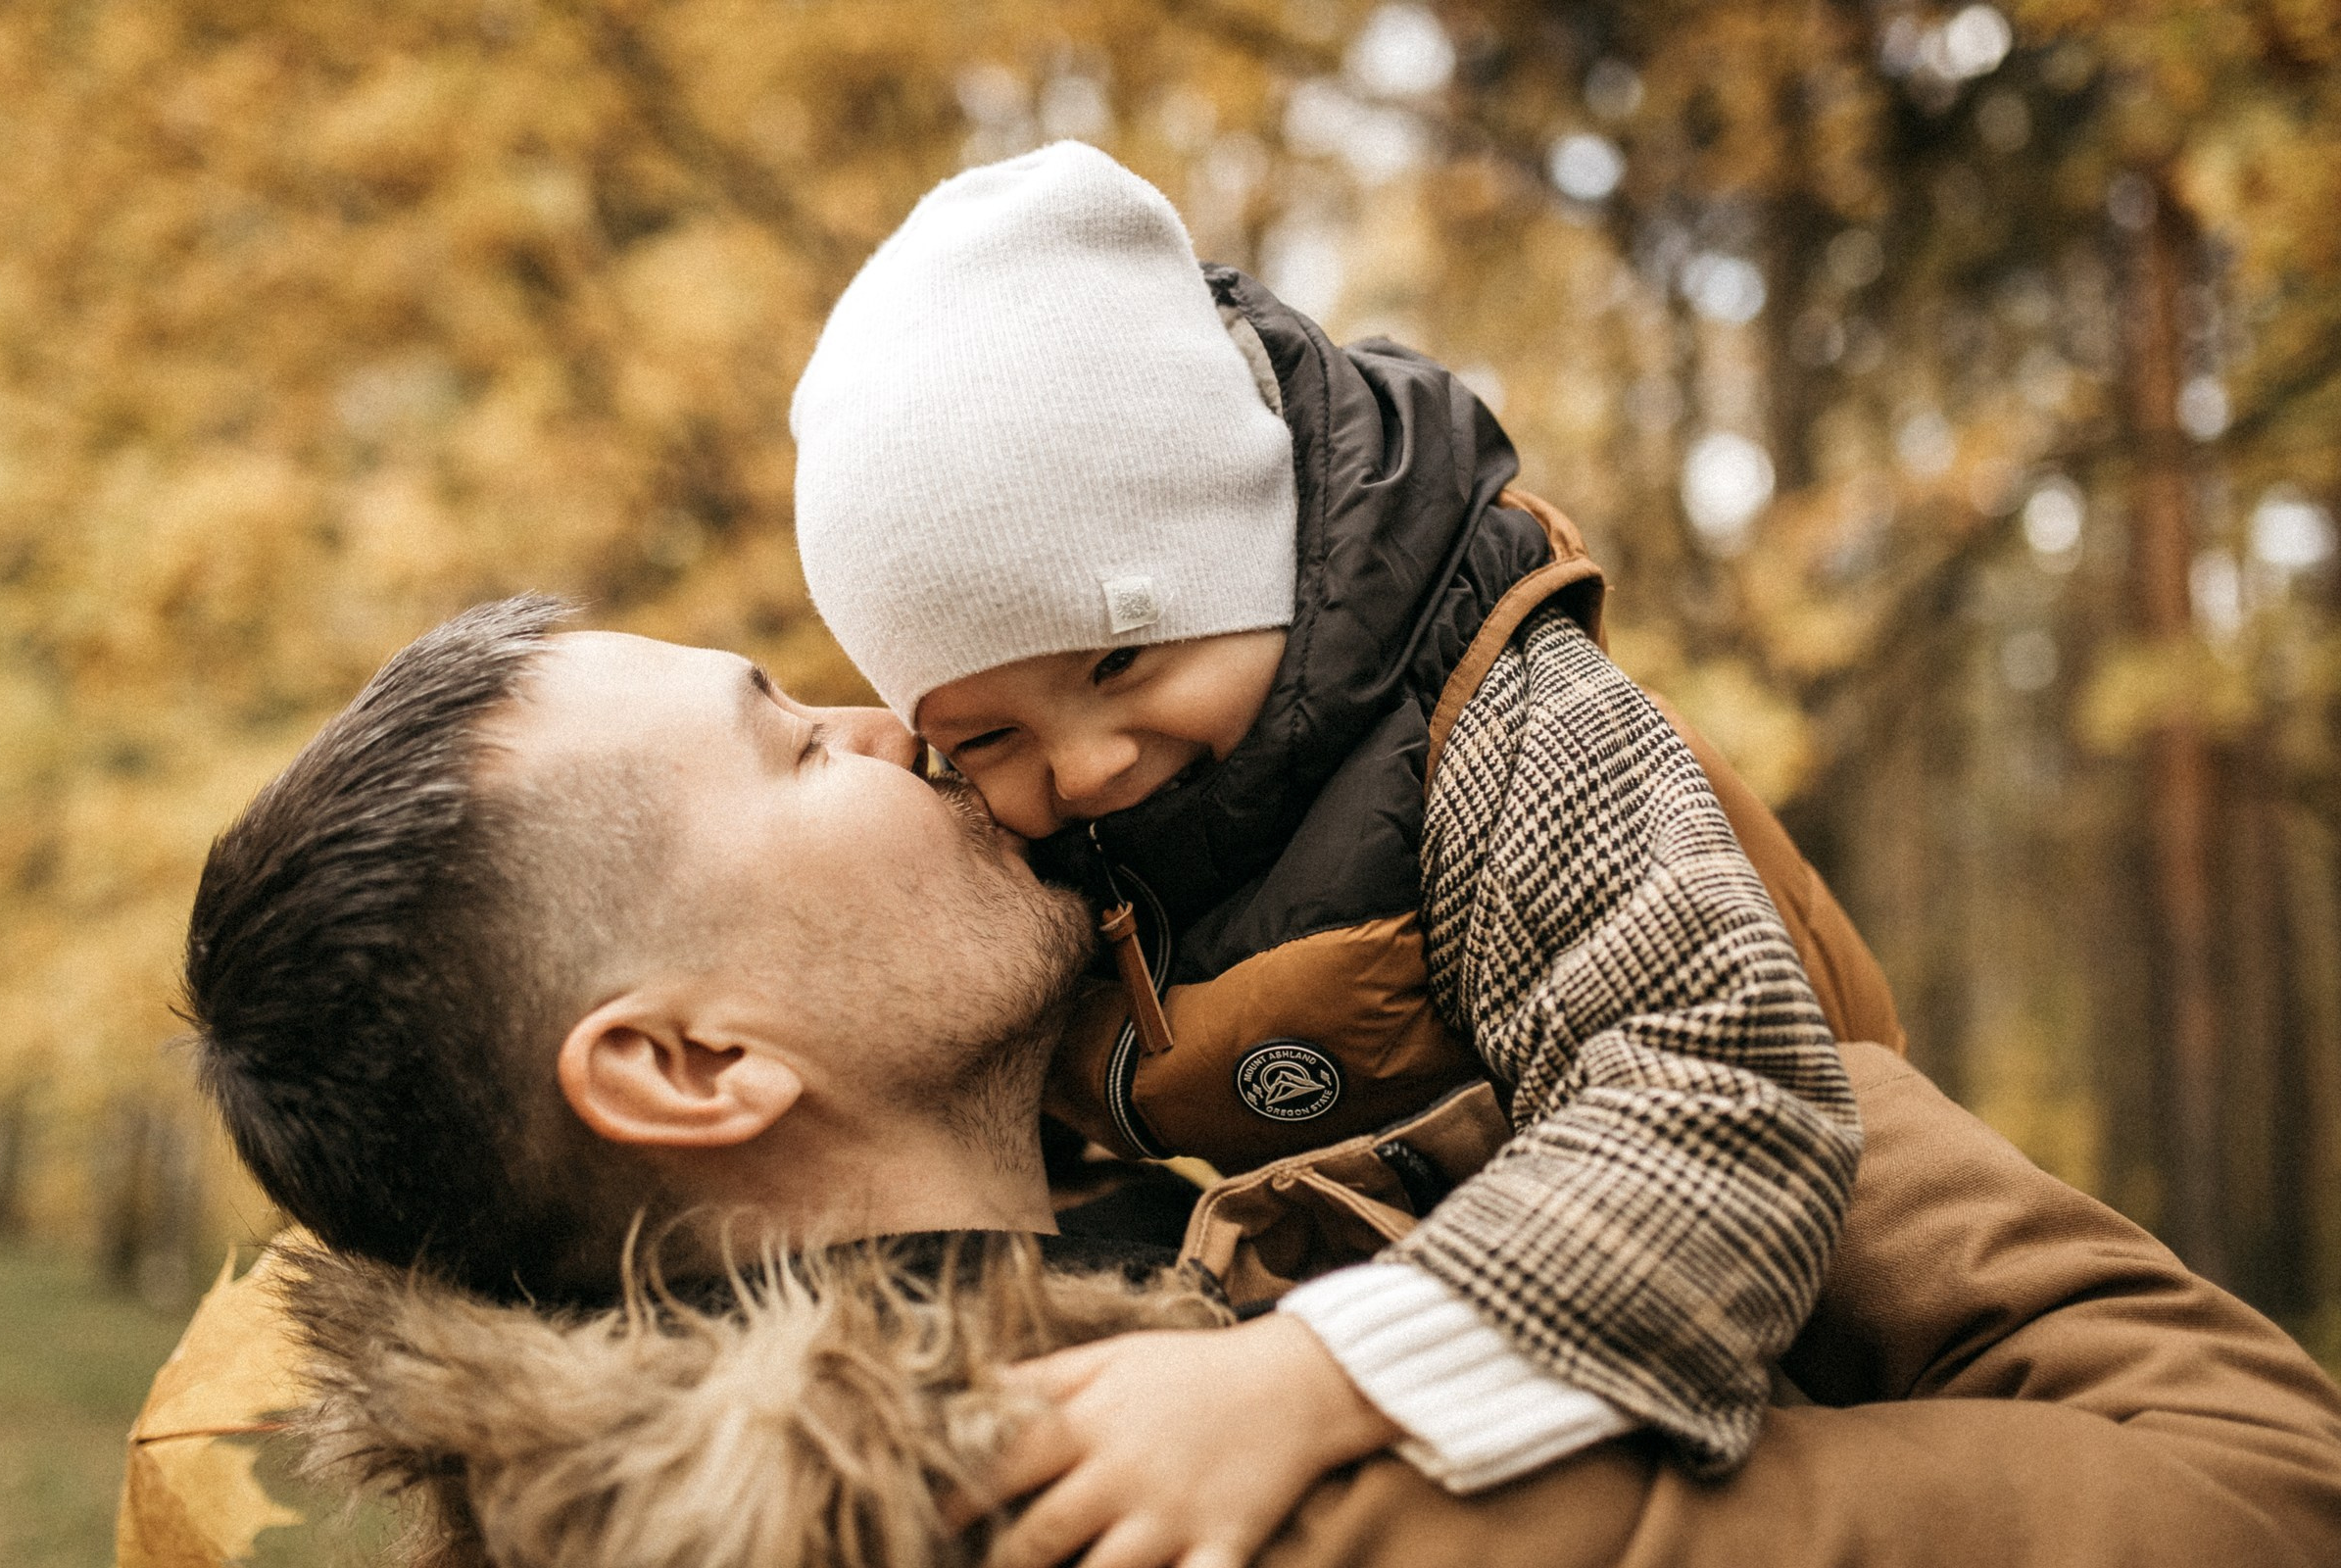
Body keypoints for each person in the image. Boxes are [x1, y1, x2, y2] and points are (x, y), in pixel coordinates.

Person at [127, 598, 2341, 1568]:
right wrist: (1680, 1043)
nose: (904, 720)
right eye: (790, 745)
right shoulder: (1208, 1498)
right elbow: (2262, 1485)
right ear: (692, 1063)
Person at [785, 139, 1853, 1545]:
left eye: (1121, 661)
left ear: (1251, 539)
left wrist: (1314, 1378)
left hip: (1768, 1332)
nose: (1089, 767)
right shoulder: (1054, 844)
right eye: (987, 739)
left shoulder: (1501, 719)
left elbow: (1724, 1096)